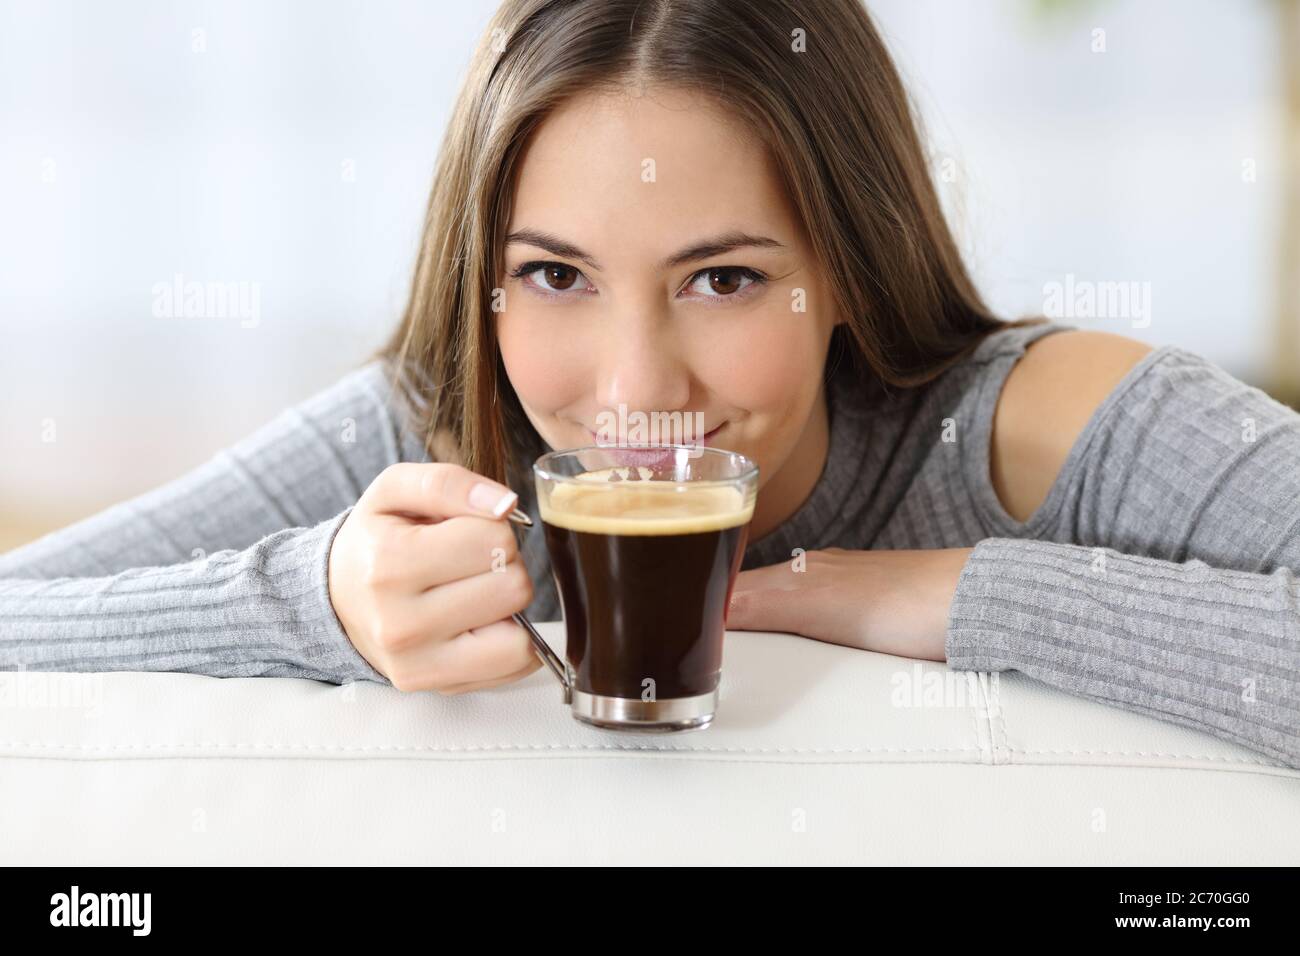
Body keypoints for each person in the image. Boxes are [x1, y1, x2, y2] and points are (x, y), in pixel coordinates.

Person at [2, 0, 1297, 769]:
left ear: (850, 262)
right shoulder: (443, 436)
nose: (633, 389)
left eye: (723, 280)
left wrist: (949, 594)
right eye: (557, 277)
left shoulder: (1032, 430)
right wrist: (309, 601)